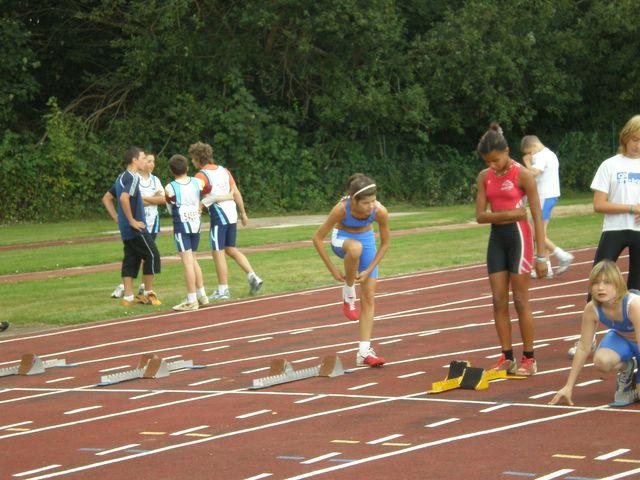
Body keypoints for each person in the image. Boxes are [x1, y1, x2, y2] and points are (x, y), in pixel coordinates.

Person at [475, 123, 547, 376]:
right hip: (497, 240)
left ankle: (529, 358)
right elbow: (480, 216)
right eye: (488, 161)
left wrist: (542, 255)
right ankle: (507, 357)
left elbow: (536, 216)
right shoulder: (484, 177)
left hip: (520, 239)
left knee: (520, 300)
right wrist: (512, 213)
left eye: (495, 159)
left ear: (506, 150)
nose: (492, 165)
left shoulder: (523, 175)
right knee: (498, 301)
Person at [569, 114, 640, 358]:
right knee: (598, 278)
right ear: (625, 137)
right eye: (634, 139)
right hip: (614, 229)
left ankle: (632, 339)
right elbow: (599, 204)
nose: (637, 145)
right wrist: (632, 208)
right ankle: (586, 340)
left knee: (637, 288)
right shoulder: (610, 165)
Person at [312, 173, 390, 367]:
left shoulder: (380, 211)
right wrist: (333, 270)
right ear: (354, 200)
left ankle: (363, 353)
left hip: (367, 240)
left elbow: (386, 243)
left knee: (369, 296)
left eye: (374, 201)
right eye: (366, 203)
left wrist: (369, 268)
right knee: (355, 249)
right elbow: (318, 239)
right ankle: (348, 293)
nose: (372, 206)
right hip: (342, 240)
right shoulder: (341, 209)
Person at [549, 260, 639, 407]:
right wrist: (568, 386)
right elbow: (584, 347)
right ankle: (628, 367)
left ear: (618, 284)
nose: (600, 288)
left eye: (607, 282)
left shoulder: (633, 305)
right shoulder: (592, 309)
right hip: (622, 338)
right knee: (601, 361)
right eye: (596, 283)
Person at [189, 141, 263, 300]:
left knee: (217, 251)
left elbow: (197, 197)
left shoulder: (200, 175)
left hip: (220, 215)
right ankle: (253, 276)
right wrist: (243, 212)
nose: (192, 162)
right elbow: (235, 192)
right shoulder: (224, 170)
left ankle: (223, 289)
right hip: (231, 212)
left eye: (193, 159)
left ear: (197, 158)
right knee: (230, 248)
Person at [101, 147, 161, 306]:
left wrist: (118, 219)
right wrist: (132, 220)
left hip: (126, 229)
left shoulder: (121, 177)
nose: (145, 161)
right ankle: (148, 294)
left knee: (131, 259)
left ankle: (128, 297)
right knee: (152, 255)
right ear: (134, 160)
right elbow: (123, 198)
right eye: (142, 158)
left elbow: (106, 198)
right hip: (136, 228)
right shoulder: (134, 178)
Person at [521, 135, 574, 278]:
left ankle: (562, 255)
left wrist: (526, 163)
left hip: (544, 196)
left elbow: (534, 172)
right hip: (548, 196)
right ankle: (547, 267)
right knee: (541, 233)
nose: (530, 156)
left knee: (536, 233)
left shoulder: (541, 155)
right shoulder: (549, 154)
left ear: (534, 146)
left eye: (529, 152)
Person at [164, 154, 211, 311]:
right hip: (196, 223)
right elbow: (208, 190)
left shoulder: (170, 187)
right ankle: (202, 294)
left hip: (181, 224)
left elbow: (170, 206)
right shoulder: (198, 181)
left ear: (171, 170)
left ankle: (191, 299)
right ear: (187, 168)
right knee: (193, 259)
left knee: (187, 262)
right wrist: (200, 205)